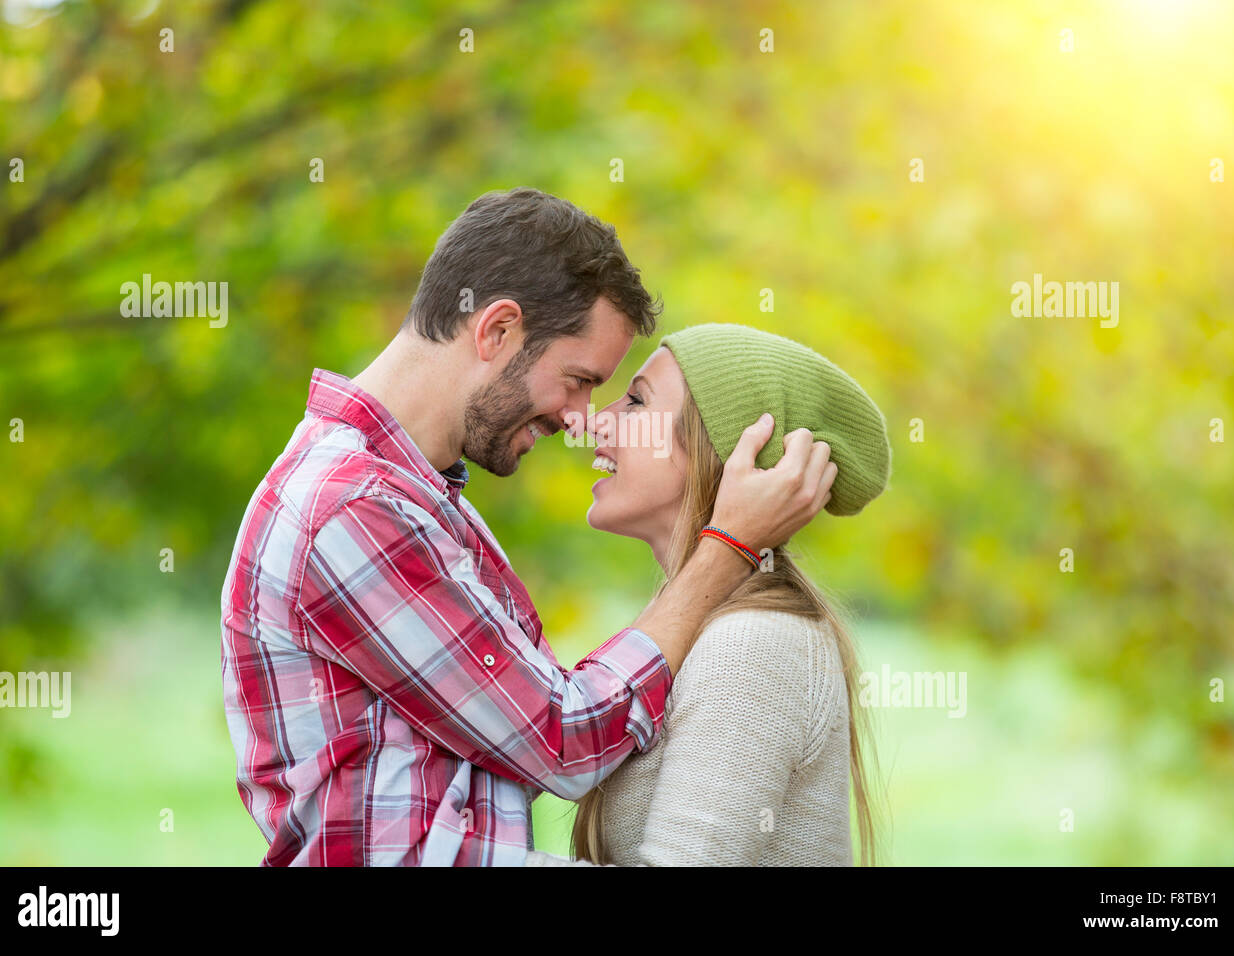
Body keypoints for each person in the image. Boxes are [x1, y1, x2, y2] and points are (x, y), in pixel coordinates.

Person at [220, 188, 837, 865]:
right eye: (578, 380)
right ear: (497, 331)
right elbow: (563, 738)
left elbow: (539, 725)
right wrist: (729, 548)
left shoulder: (420, 503)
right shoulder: (354, 509)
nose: (581, 417)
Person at [524, 324, 892, 866]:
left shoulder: (754, 644)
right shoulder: (696, 630)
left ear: (722, 452)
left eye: (636, 401)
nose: (595, 421)